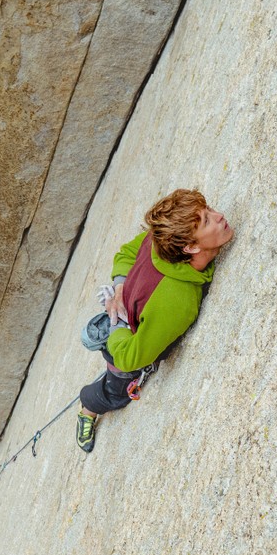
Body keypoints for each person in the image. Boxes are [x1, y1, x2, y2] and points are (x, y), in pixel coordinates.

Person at [76, 188, 234, 452]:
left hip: (132, 317)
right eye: (207, 220)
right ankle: (88, 408)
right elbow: (129, 358)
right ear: (191, 247)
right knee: (116, 391)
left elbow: (127, 252)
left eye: (209, 211)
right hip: (125, 343)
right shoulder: (178, 299)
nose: (219, 216)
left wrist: (119, 288)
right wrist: (118, 324)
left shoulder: (161, 238)